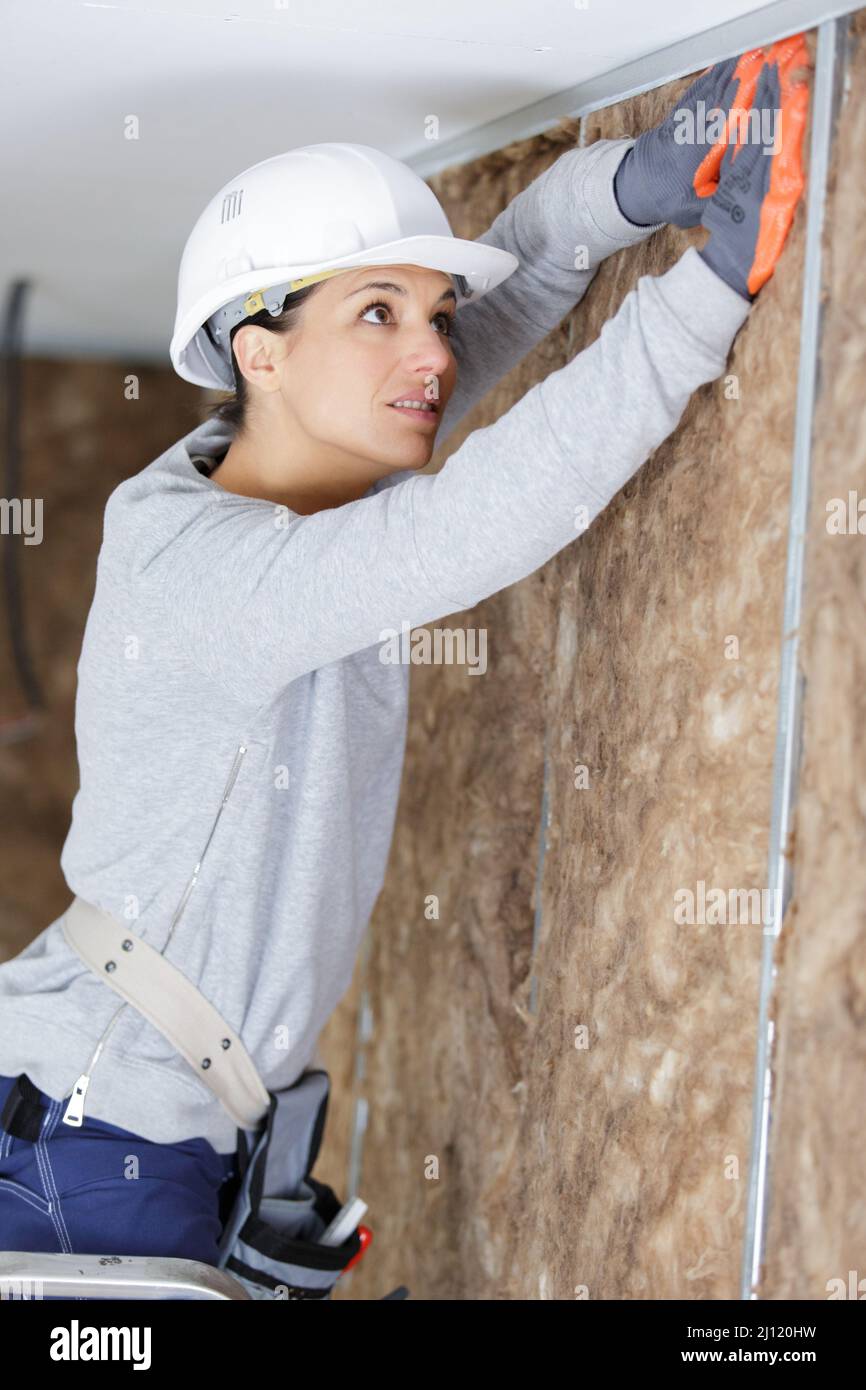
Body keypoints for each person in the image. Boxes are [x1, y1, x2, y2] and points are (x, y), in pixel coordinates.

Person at [0, 44, 807, 1267]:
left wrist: (641, 184)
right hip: (86, 1140)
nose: (428, 352)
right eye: (375, 313)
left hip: (133, 1130)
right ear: (257, 352)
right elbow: (471, 520)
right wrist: (708, 291)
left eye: (425, 313)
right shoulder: (211, 574)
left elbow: (476, 328)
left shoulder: (287, 466)